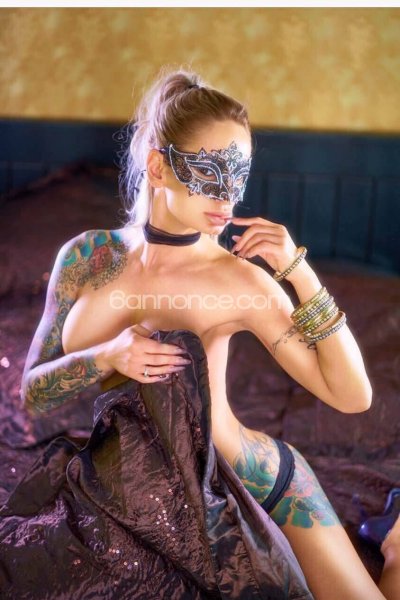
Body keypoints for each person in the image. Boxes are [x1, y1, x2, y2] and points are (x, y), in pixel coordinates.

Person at [2, 66, 399, 600]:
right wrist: (108, 355)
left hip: (249, 482)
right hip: (120, 487)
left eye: (239, 175)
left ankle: (396, 544)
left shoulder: (241, 282)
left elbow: (353, 397)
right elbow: (32, 394)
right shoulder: (85, 259)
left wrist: (300, 273)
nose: (228, 197)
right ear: (158, 166)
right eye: (210, 171)